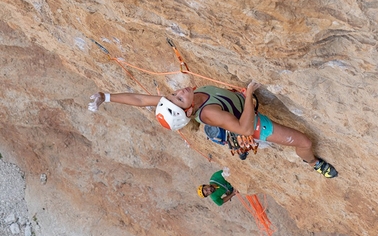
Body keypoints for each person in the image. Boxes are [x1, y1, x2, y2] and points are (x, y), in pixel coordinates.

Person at [88, 81, 338, 177]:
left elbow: (141, 101)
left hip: (232, 117)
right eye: (179, 98)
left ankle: (226, 140)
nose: (181, 92)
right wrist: (249, 95)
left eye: (174, 94)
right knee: (303, 142)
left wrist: (106, 96)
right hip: (248, 123)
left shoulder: (179, 105)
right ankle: (314, 164)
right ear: (187, 112)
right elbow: (244, 127)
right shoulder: (208, 112)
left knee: (225, 128)